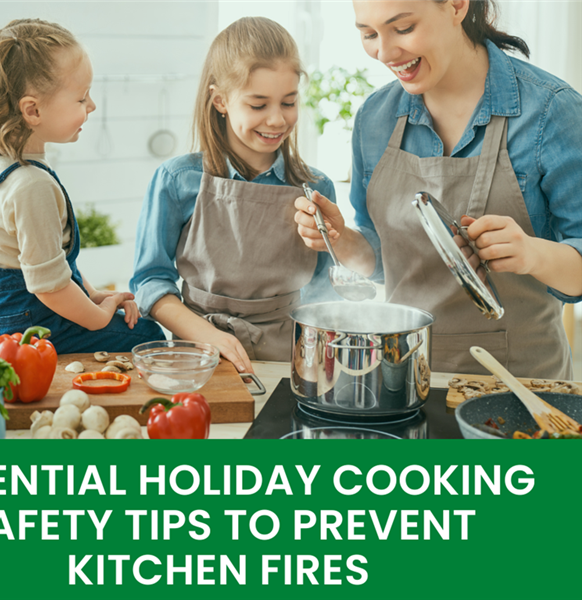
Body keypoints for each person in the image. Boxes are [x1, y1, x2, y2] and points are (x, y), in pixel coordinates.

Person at [295, 0, 582, 378]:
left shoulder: (549, 112)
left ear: (457, 5)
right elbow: (383, 259)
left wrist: (531, 254)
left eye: (403, 28)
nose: (384, 52)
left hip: (518, 387)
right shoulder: (375, 118)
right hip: (403, 379)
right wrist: (343, 240)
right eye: (368, 34)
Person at [130, 17, 337, 373]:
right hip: (198, 353)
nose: (276, 120)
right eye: (258, 105)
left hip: (292, 356)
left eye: (288, 103)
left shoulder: (316, 187)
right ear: (221, 100)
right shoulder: (177, 180)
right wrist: (207, 335)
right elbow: (150, 282)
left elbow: (325, 289)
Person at [0, 18, 164, 353]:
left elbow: (48, 260)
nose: (91, 106)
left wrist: (91, 295)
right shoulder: (30, 185)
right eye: (81, 98)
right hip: (31, 336)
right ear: (32, 110)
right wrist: (99, 315)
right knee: (149, 337)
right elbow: (49, 287)